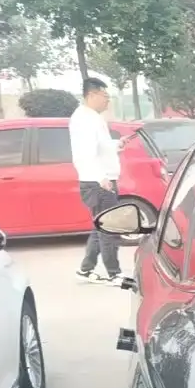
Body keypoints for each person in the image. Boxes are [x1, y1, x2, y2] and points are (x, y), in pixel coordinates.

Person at [70, 77, 125, 285]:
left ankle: (86, 269)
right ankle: (113, 273)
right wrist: (100, 177)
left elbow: (100, 146)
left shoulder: (92, 117)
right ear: (91, 95)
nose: (107, 100)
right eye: (105, 96)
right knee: (108, 229)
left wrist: (117, 144)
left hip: (101, 180)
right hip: (99, 182)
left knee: (99, 227)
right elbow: (85, 154)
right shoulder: (84, 119)